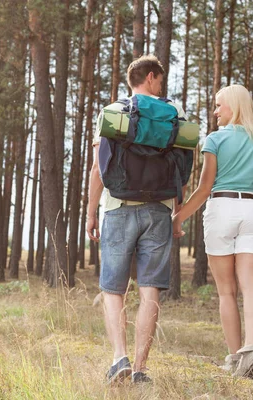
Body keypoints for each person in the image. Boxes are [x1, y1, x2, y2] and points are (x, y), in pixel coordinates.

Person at [86, 55, 188, 384]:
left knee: (113, 288)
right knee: (150, 290)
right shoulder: (176, 113)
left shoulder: (113, 112)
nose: (162, 85)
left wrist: (90, 212)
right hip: (158, 209)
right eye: (160, 78)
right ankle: (142, 370)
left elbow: (98, 168)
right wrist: (177, 212)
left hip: (117, 206)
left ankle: (120, 358)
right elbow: (181, 171)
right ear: (150, 77)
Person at [172, 84, 253, 378]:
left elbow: (205, 188)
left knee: (226, 291)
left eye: (219, 105)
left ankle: (234, 360)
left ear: (235, 105)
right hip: (252, 209)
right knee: (250, 285)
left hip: (221, 208)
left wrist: (179, 218)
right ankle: (250, 349)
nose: (215, 111)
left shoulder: (215, 139)